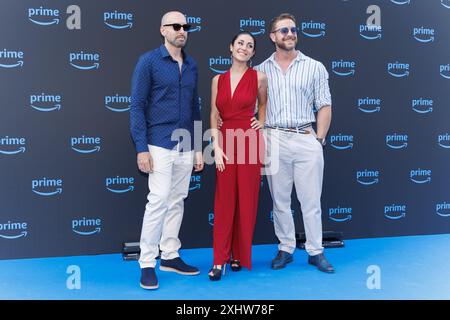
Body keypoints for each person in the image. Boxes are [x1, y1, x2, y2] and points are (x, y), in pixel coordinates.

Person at [254, 13, 335, 273]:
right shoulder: (260, 71)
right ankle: (286, 248)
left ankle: (315, 251)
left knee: (311, 201)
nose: (289, 34)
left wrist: (319, 138)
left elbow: (324, 104)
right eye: (283, 30)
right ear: (272, 36)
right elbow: (252, 109)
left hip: (305, 137)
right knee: (280, 201)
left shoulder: (315, 66)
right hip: (273, 139)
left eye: (293, 29)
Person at [130, 11, 204, 290]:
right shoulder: (148, 61)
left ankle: (170, 255)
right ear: (163, 30)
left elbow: (196, 107)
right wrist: (141, 148)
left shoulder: (192, 64)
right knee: (158, 200)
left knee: (177, 199)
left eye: (185, 26)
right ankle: (147, 262)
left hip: (186, 144)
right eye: (176, 26)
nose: (181, 30)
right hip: (158, 142)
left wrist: (198, 147)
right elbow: (136, 105)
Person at [209, 31, 268, 281]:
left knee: (246, 201)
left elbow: (263, 105)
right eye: (240, 43)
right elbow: (213, 113)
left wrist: (261, 124)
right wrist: (216, 147)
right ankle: (219, 260)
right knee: (224, 203)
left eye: (250, 46)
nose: (244, 48)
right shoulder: (217, 80)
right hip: (224, 142)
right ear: (231, 47)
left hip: (249, 142)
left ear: (253, 53)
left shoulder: (260, 77)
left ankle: (238, 255)